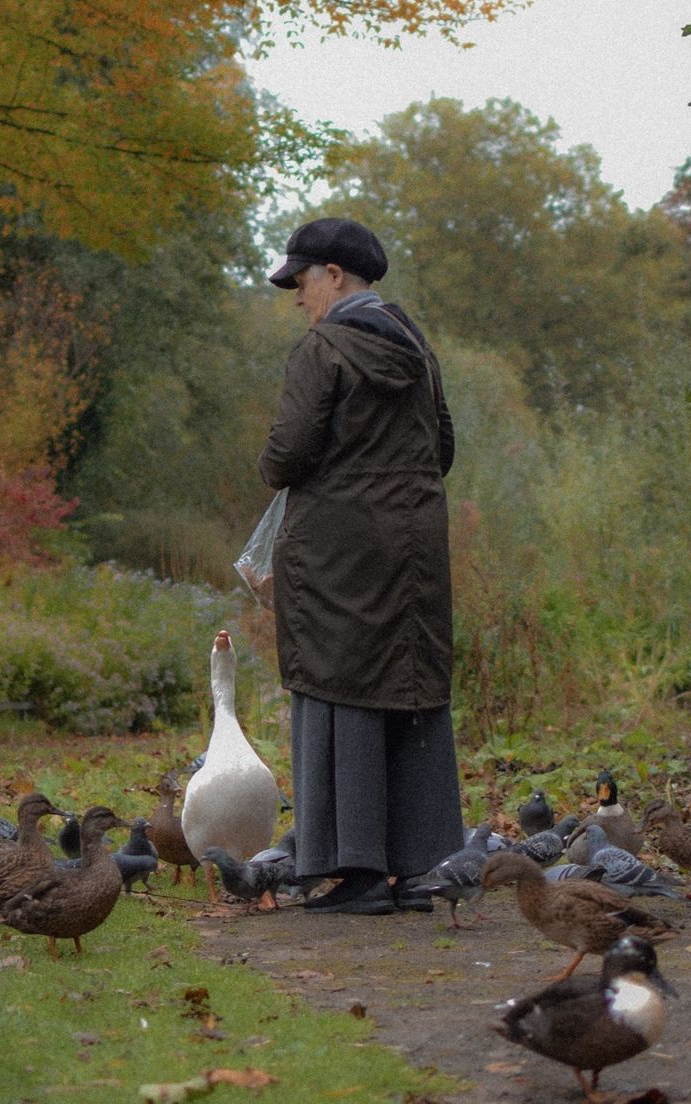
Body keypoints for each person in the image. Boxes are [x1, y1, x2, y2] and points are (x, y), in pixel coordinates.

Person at [258, 216, 464, 915]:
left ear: (335, 277)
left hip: (336, 547)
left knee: (338, 683)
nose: (296, 296)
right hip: (415, 544)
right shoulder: (418, 349)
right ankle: (418, 868)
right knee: (408, 687)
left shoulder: (323, 349)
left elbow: (285, 456)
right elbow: (443, 447)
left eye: (301, 281)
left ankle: (356, 873)